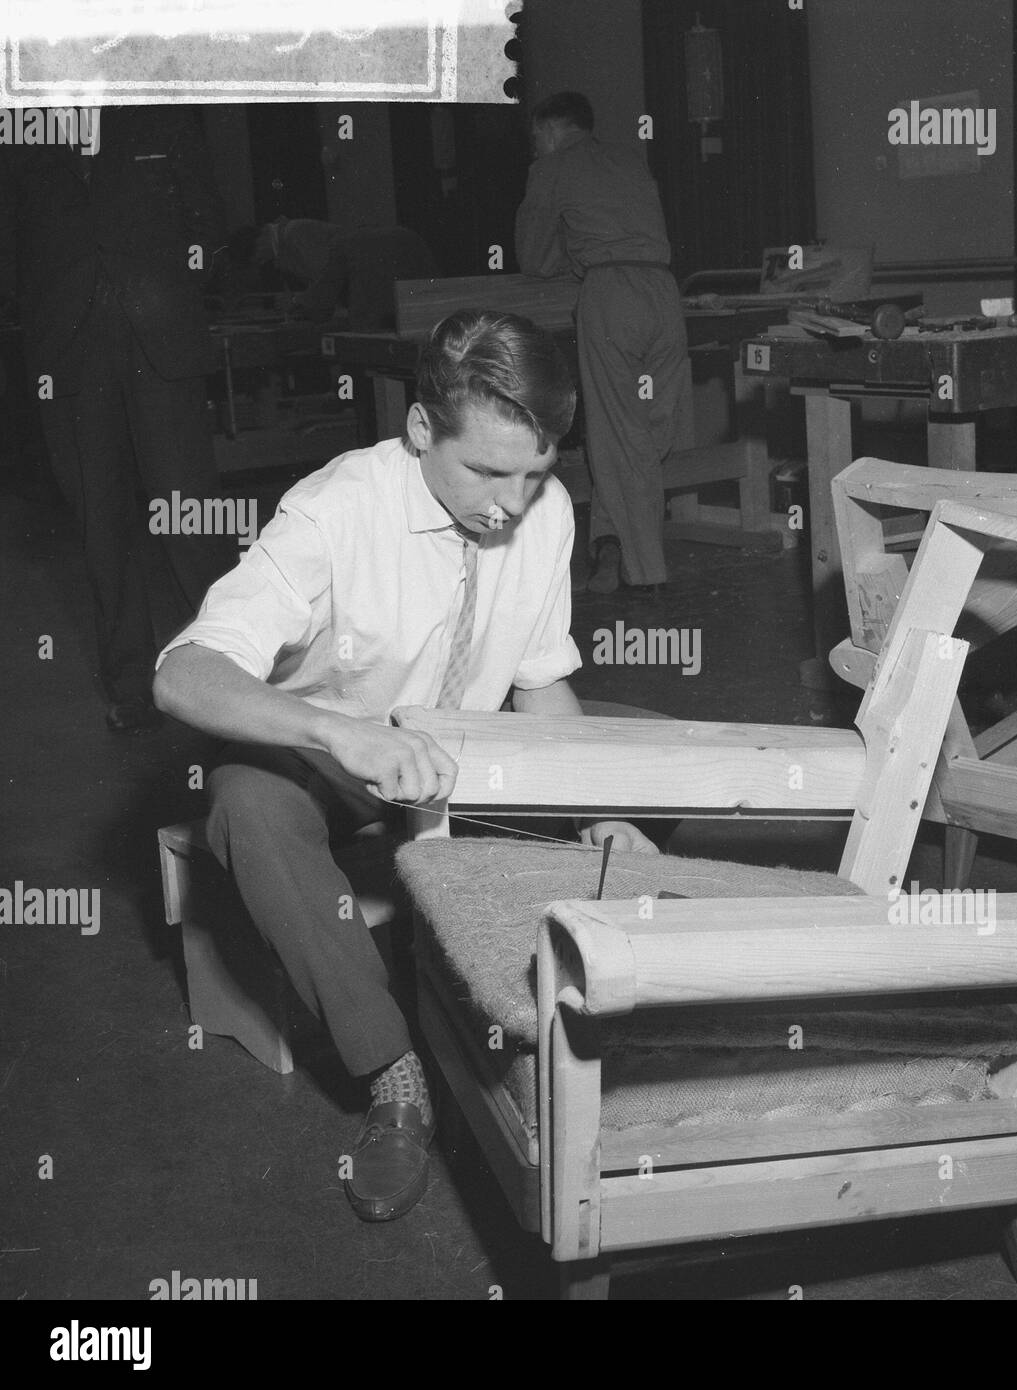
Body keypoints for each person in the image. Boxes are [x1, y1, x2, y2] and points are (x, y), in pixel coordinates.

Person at [153, 309, 656, 1223]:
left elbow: (542, 686)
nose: (510, 503)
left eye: (535, 475)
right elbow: (182, 673)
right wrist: (340, 735)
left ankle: (598, 1022)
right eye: (488, 472)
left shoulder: (545, 516)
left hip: (464, 752)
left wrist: (602, 807)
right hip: (332, 760)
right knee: (247, 805)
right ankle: (394, 1071)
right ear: (422, 429)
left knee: (661, 760)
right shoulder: (334, 509)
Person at [0, 107, 234, 731]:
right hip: (67, 353)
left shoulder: (162, 114)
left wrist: (177, 280)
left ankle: (227, 677)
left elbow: (208, 218)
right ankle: (133, 688)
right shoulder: (19, 126)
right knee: (101, 526)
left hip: (160, 339)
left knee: (191, 519)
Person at [515, 90, 692, 596]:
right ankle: (610, 544)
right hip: (664, 291)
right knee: (653, 428)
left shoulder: (550, 169)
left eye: (535, 137)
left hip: (611, 295)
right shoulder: (629, 161)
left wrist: (571, 253)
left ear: (548, 132)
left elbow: (534, 258)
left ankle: (646, 573)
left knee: (619, 436)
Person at [251, 217, 439, 332]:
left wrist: (296, 303)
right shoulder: (296, 235)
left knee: (371, 330)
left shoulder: (294, 235)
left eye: (259, 257)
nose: (263, 261)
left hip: (381, 262)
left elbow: (324, 287)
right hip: (409, 245)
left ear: (260, 240)